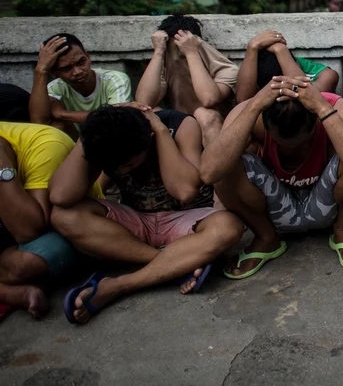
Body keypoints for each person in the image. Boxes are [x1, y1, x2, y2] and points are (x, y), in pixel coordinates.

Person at [48, 105, 243, 325]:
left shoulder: (179, 125)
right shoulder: (103, 139)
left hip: (186, 220)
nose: (121, 171)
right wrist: (93, 129)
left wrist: (159, 131)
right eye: (115, 168)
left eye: (129, 164)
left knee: (228, 226)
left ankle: (119, 285)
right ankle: (174, 265)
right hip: (136, 222)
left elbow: (185, 191)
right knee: (63, 216)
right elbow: (60, 196)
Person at [199, 75, 343, 275]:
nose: (292, 151)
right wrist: (253, 105)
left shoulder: (336, 108)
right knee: (225, 164)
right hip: (276, 207)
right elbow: (209, 173)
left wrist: (323, 109)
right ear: (266, 126)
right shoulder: (253, 111)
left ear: (315, 124)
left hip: (324, 203)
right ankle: (266, 238)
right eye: (281, 144)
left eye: (301, 144)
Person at [0, 122, 102, 321]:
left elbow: (28, 229)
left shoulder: (45, 144)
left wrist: (3, 170)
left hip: (56, 229)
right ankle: (13, 293)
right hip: (8, 237)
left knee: (29, 264)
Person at [136, 15, 238, 146]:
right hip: (180, 132)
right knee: (151, 113)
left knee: (205, 114)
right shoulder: (165, 65)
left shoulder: (225, 69)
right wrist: (158, 52)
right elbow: (143, 103)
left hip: (217, 138)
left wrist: (191, 53)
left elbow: (208, 99)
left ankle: (216, 165)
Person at [29, 33, 131, 137]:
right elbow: (39, 124)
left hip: (114, 141)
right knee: (55, 128)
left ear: (88, 56)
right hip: (77, 145)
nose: (77, 71)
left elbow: (116, 120)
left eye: (81, 62)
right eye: (67, 68)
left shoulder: (114, 80)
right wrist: (41, 71)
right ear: (54, 73)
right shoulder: (54, 88)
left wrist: (62, 114)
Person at [236, 29, 340, 102]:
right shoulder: (256, 68)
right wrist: (252, 47)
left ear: (296, 64)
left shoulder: (326, 75)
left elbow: (306, 98)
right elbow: (243, 100)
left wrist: (281, 50)